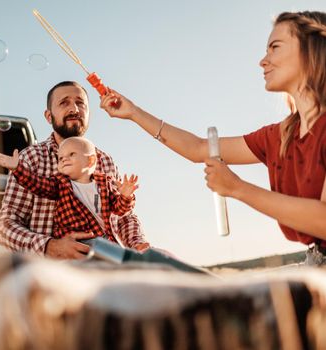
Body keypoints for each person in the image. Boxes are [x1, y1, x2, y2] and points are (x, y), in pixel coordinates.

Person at [100, 11, 326, 266]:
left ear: (312, 49)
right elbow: (199, 149)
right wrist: (133, 113)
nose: (263, 61)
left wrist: (237, 188)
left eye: (275, 47)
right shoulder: (282, 135)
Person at [0, 81, 150, 259]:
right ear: (48, 116)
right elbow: (5, 226)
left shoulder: (105, 161)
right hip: (51, 273)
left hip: (105, 262)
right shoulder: (31, 158)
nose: (74, 109)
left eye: (80, 103)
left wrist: (137, 242)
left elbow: (123, 217)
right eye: (64, 103)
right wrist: (50, 246)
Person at [0, 136, 139, 242]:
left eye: (71, 154)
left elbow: (119, 210)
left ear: (91, 160)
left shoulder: (105, 184)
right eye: (60, 157)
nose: (64, 159)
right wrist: (18, 168)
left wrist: (125, 196)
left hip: (104, 240)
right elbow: (37, 184)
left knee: (120, 260)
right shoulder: (60, 184)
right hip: (74, 242)